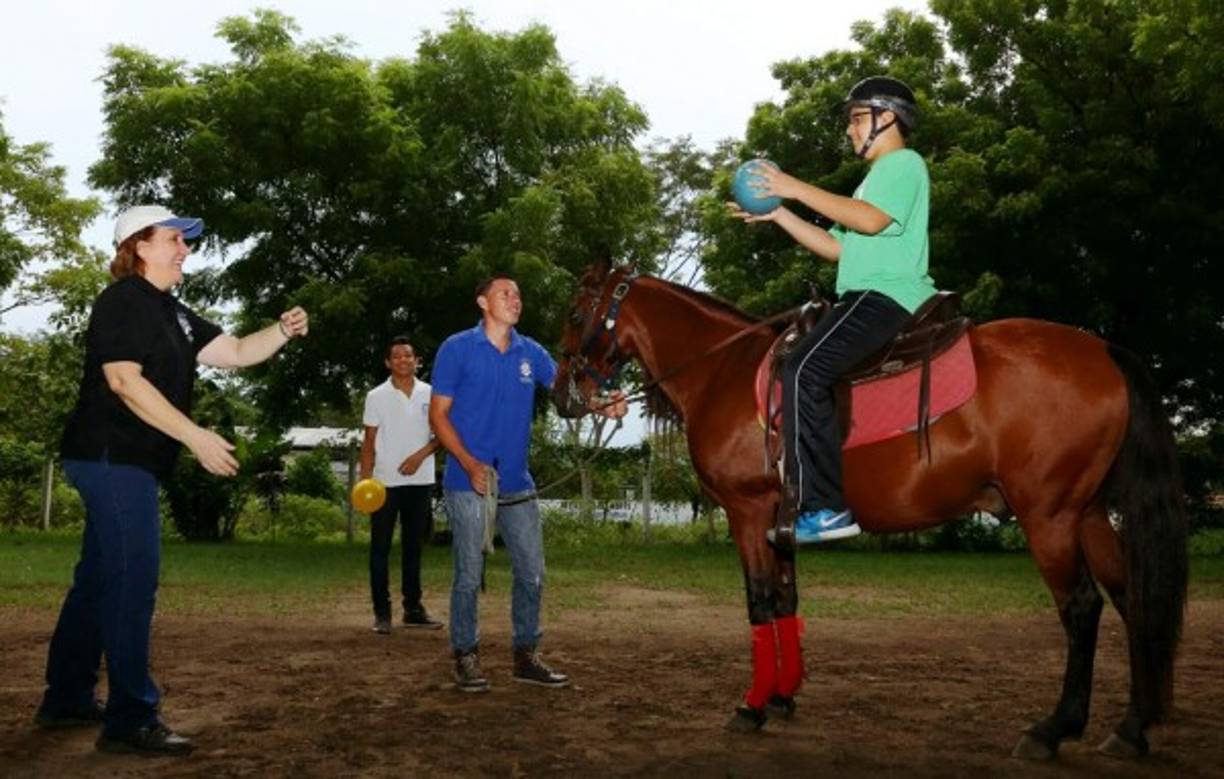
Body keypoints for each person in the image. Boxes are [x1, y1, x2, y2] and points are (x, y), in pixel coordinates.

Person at [36, 205, 308, 755]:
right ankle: (131, 717)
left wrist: (279, 330)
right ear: (139, 246)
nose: (185, 248)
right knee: (133, 579)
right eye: (174, 239)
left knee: (99, 578)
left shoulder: (173, 312)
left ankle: (66, 697)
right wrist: (196, 436)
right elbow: (122, 381)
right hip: (112, 459)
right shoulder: (122, 302)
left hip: (127, 463)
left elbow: (233, 353)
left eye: (186, 240)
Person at [728, 76, 937, 544]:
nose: (850, 130)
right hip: (865, 293)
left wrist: (793, 186)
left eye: (858, 118)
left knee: (801, 369)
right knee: (803, 366)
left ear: (888, 119)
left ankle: (824, 507)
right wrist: (778, 212)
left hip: (886, 296)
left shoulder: (903, 163)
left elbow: (868, 220)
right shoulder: (870, 182)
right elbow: (834, 247)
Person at [429, 276, 626, 692]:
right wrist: (468, 463)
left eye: (519, 294)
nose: (515, 300)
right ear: (483, 301)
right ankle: (465, 655)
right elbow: (438, 416)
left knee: (532, 573)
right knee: (468, 575)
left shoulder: (530, 352)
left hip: (517, 482)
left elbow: (566, 395)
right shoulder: (457, 348)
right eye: (506, 293)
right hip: (468, 482)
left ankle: (525, 656)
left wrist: (604, 405)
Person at [360, 336, 442, 634]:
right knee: (379, 548)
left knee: (413, 548)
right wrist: (365, 483)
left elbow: (442, 435)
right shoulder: (376, 396)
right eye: (397, 356)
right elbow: (368, 442)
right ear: (388, 362)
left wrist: (419, 456)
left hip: (420, 482)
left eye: (408, 355)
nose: (403, 360)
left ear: (417, 360)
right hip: (384, 484)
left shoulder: (431, 393)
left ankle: (414, 610)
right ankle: (382, 614)